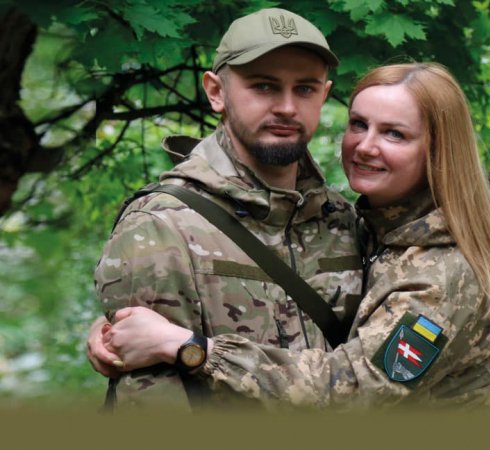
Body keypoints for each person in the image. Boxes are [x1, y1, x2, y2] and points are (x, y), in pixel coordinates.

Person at [95, 63, 490, 410]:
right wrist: (119, 335)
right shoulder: (367, 229)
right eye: (359, 124)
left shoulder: (446, 271)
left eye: (394, 134)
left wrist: (187, 348)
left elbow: (353, 394)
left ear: (437, 152)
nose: (365, 146)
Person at [89, 7, 363, 411]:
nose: (287, 107)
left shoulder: (346, 221)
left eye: (305, 89)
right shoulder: (163, 226)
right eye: (264, 86)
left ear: (324, 94)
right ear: (216, 92)